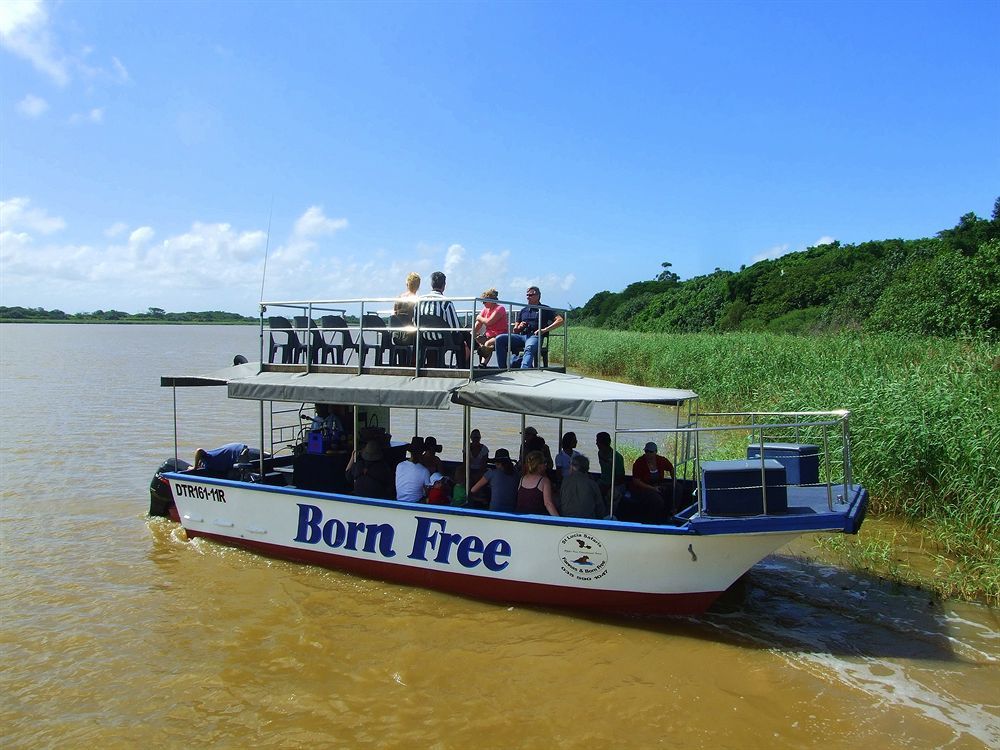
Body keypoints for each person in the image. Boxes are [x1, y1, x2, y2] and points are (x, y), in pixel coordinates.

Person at [494, 286, 564, 369]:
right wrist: (518, 327)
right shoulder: (524, 310)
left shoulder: (545, 309)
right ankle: (502, 369)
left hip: (535, 336)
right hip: (522, 336)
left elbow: (560, 320)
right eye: (527, 295)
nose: (528, 297)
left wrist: (544, 330)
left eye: (531, 295)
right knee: (499, 339)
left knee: (529, 347)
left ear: (538, 296)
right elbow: (516, 329)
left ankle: (524, 370)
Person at [417, 270, 469, 367]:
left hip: (425, 338)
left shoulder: (420, 301)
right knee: (463, 336)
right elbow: (455, 327)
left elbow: (415, 322)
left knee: (462, 335)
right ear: (444, 285)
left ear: (431, 284)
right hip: (442, 339)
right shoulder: (446, 302)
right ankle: (463, 367)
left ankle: (431, 364)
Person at [631, 441, 675, 522]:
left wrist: (674, 481)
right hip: (644, 488)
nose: (648, 454)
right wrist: (652, 488)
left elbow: (671, 468)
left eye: (651, 452)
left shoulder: (661, 460)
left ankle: (673, 512)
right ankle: (653, 520)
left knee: (677, 487)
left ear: (655, 452)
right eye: (646, 451)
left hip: (658, 485)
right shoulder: (639, 463)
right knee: (658, 500)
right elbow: (636, 481)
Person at [558, 454, 607, 519]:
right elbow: (600, 508)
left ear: (572, 467)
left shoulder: (565, 481)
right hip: (588, 520)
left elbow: (560, 501)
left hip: (566, 518)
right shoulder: (592, 484)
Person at [470, 447, 518, 513]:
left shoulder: (492, 473)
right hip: (512, 509)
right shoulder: (516, 473)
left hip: (495, 510)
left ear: (498, 463)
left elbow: (473, 490)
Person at [516, 450, 559, 516]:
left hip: (521, 516)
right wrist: (558, 519)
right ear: (539, 465)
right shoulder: (544, 481)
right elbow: (548, 503)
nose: (546, 465)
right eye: (544, 463)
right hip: (537, 518)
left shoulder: (522, 479)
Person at [473, 288, 509, 366]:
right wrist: (473, 333)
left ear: (491, 300)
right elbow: (478, 324)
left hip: (500, 335)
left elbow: (489, 322)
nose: (483, 303)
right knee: (473, 340)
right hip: (488, 335)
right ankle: (465, 364)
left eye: (484, 301)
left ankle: (483, 364)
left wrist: (479, 317)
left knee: (488, 343)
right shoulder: (485, 309)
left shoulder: (500, 309)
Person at [395, 436, 431, 502]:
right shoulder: (424, 471)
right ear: (422, 452)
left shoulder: (399, 465)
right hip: (416, 503)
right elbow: (427, 492)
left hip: (399, 500)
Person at [595, 431, 626, 505]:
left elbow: (621, 478)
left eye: (597, 442)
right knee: (590, 491)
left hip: (617, 484)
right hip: (603, 481)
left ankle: (609, 514)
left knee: (611, 496)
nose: (596, 444)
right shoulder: (600, 453)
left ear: (602, 443)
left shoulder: (617, 457)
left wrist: (609, 486)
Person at [392, 272, 421, 346]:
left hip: (397, 336)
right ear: (418, 286)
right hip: (411, 336)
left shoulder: (400, 298)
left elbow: (394, 314)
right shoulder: (418, 300)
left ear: (407, 284)